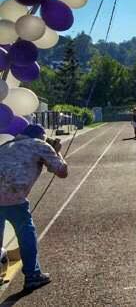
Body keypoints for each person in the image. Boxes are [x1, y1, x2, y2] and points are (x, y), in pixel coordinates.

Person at [0, 125, 68, 291]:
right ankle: (33, 275)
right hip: (14, 198)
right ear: (41, 136)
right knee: (26, 235)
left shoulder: (5, 146)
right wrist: (56, 151)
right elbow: (62, 171)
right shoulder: (40, 144)